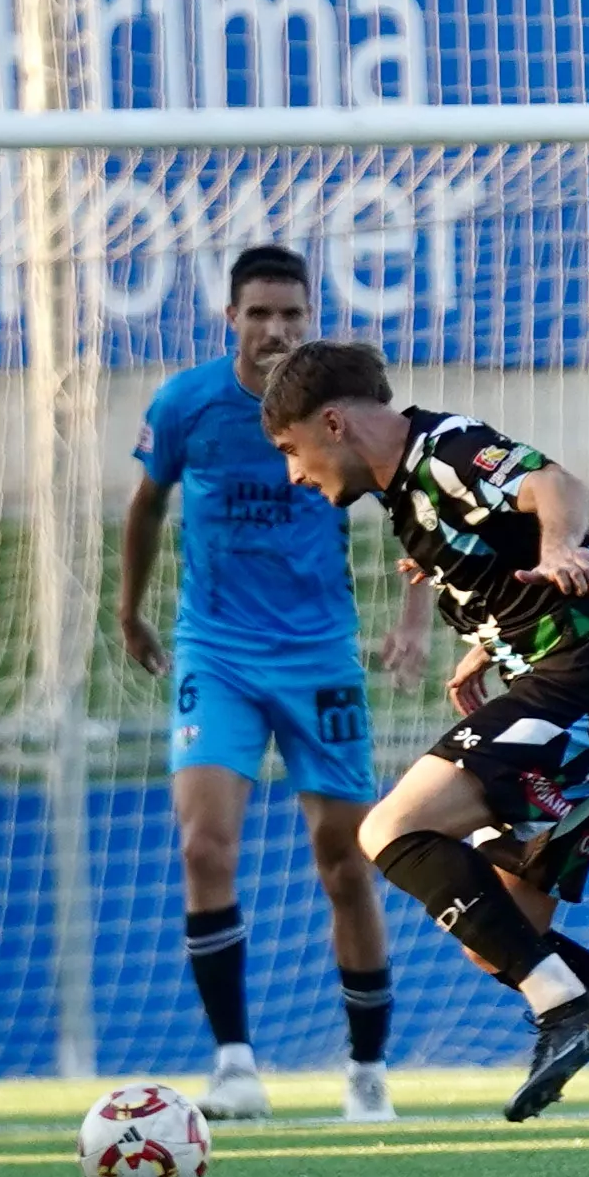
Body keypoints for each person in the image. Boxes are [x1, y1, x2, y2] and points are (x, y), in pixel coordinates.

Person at [260, 340, 589, 1122]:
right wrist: (488, 640)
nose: (293, 474)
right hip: (578, 690)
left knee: (390, 829)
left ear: (332, 422)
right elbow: (491, 556)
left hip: (588, 686)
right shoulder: (403, 488)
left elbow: (555, 485)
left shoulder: (443, 449)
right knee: (500, 938)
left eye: (290, 450)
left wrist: (557, 546)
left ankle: (564, 1010)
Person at [119, 245, 429, 1122]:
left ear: (308, 320)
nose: (276, 330)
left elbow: (413, 504)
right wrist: (129, 611)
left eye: (291, 315)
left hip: (320, 657)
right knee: (203, 847)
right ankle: (234, 1064)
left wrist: (410, 626)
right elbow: (145, 504)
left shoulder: (341, 416)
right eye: (259, 314)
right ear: (231, 321)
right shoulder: (187, 404)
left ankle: (367, 1071)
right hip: (215, 650)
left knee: (347, 862)